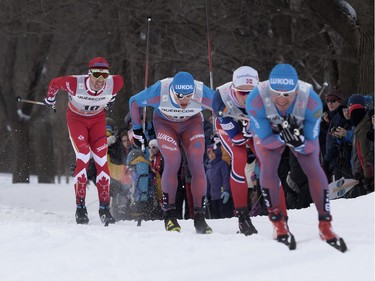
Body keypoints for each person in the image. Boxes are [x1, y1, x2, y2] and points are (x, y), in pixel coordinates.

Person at [246, 63, 346, 251]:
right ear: (269, 90)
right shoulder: (256, 98)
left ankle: (325, 223)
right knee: (268, 166)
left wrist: (298, 141)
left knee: (313, 167)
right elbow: (265, 141)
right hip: (270, 131)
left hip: (299, 130)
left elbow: (311, 145)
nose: (282, 99)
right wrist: (283, 136)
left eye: (287, 94)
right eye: (277, 93)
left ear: (296, 89)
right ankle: (278, 222)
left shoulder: (311, 100)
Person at [129, 71, 214, 234]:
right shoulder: (159, 91)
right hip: (165, 124)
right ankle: (169, 215)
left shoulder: (202, 92)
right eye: (180, 95)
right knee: (173, 159)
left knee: (196, 160)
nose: (184, 100)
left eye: (189, 96)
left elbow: (223, 104)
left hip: (192, 123)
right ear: (172, 91)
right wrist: (137, 129)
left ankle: (200, 218)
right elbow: (134, 102)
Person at [44, 57, 124, 225]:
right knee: (84, 157)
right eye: (96, 74)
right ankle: (80, 208)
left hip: (97, 121)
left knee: (102, 161)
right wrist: (50, 99)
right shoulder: (74, 83)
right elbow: (54, 83)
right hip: (76, 120)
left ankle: (104, 209)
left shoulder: (114, 83)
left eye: (104, 75)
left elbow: (116, 87)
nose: (100, 80)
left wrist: (111, 99)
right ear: (89, 74)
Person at [211, 66, 259, 235]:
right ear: (233, 88)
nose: (246, 97)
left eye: (251, 92)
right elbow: (237, 137)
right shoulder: (221, 97)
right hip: (230, 127)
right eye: (241, 92)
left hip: (250, 125)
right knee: (239, 159)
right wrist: (246, 131)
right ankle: (242, 217)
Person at [205, 144, 233, 219]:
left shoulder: (222, 164)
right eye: (209, 153)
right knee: (216, 219)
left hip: (223, 196)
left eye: (213, 152)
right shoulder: (208, 167)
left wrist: (227, 191)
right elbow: (207, 184)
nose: (211, 155)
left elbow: (226, 178)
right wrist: (206, 195)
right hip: (213, 198)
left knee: (225, 218)